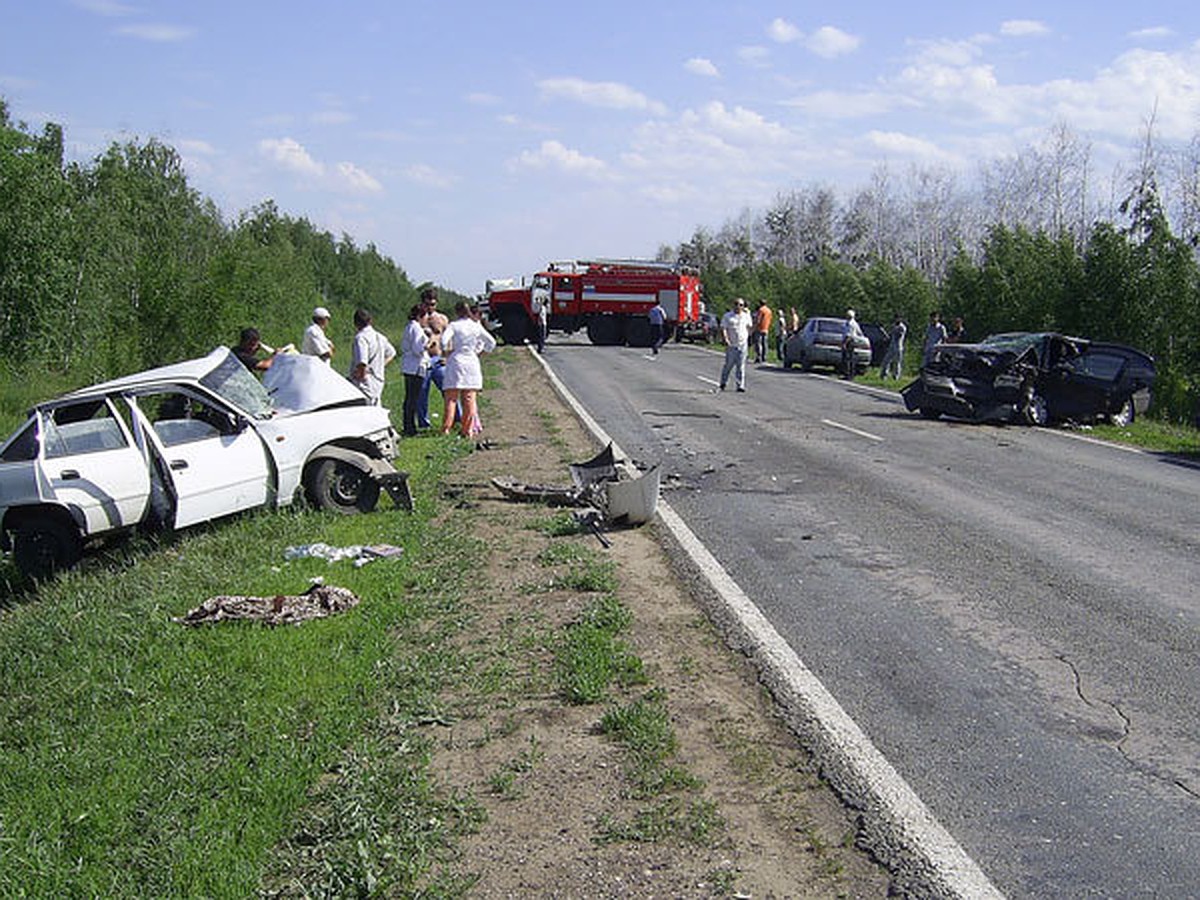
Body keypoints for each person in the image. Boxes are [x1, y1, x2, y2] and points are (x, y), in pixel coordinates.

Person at [440, 301, 497, 437]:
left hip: (456, 361)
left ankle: (446, 428)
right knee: (469, 398)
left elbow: (443, 341)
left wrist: (448, 350)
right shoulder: (475, 326)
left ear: (457, 312)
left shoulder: (453, 325)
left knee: (451, 398)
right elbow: (491, 342)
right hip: (471, 361)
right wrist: (482, 352)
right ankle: (468, 429)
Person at [348, 308, 395, 406]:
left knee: (363, 414)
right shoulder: (380, 337)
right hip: (378, 380)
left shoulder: (360, 338)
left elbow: (362, 363)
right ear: (370, 321)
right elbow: (392, 353)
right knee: (376, 412)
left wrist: (359, 376)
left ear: (356, 323)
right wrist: (381, 365)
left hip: (364, 384)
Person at [417, 288, 447, 427]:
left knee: (448, 390)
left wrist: (447, 356)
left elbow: (450, 339)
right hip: (423, 360)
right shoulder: (418, 320)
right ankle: (424, 423)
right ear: (422, 303)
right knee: (422, 393)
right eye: (427, 304)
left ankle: (455, 418)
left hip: (438, 359)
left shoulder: (441, 318)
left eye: (433, 304)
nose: (430, 307)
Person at [400, 304, 430, 436]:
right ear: (419, 316)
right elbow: (418, 350)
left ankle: (408, 425)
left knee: (409, 398)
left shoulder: (409, 327)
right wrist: (429, 344)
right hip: (415, 367)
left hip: (409, 366)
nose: (426, 319)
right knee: (413, 398)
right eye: (425, 317)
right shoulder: (416, 329)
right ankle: (410, 428)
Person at [718, 298, 752, 392]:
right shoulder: (728, 316)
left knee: (741, 366)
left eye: (741, 305)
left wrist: (748, 338)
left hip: (742, 344)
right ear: (733, 305)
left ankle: (740, 385)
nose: (739, 306)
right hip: (731, 345)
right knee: (728, 365)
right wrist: (726, 339)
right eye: (737, 304)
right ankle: (723, 383)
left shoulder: (746, 316)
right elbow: (723, 328)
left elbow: (749, 327)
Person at [879, 316, 907, 380]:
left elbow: (899, 335)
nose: (896, 320)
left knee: (897, 362)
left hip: (898, 347)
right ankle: (884, 375)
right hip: (892, 346)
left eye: (898, 318)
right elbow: (890, 335)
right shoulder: (894, 326)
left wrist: (895, 330)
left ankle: (896, 376)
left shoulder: (902, 327)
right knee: (886, 360)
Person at [841, 309, 865, 380]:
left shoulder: (850, 324)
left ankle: (849, 375)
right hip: (850, 341)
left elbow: (849, 335)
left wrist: (844, 343)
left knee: (848, 359)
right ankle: (849, 374)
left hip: (849, 341)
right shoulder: (854, 323)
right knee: (850, 358)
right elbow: (860, 332)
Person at [531, 286, 548, 353]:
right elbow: (541, 316)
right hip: (542, 324)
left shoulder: (543, 308)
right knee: (541, 337)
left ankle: (540, 348)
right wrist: (541, 323)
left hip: (542, 323)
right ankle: (540, 348)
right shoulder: (543, 308)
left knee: (541, 337)